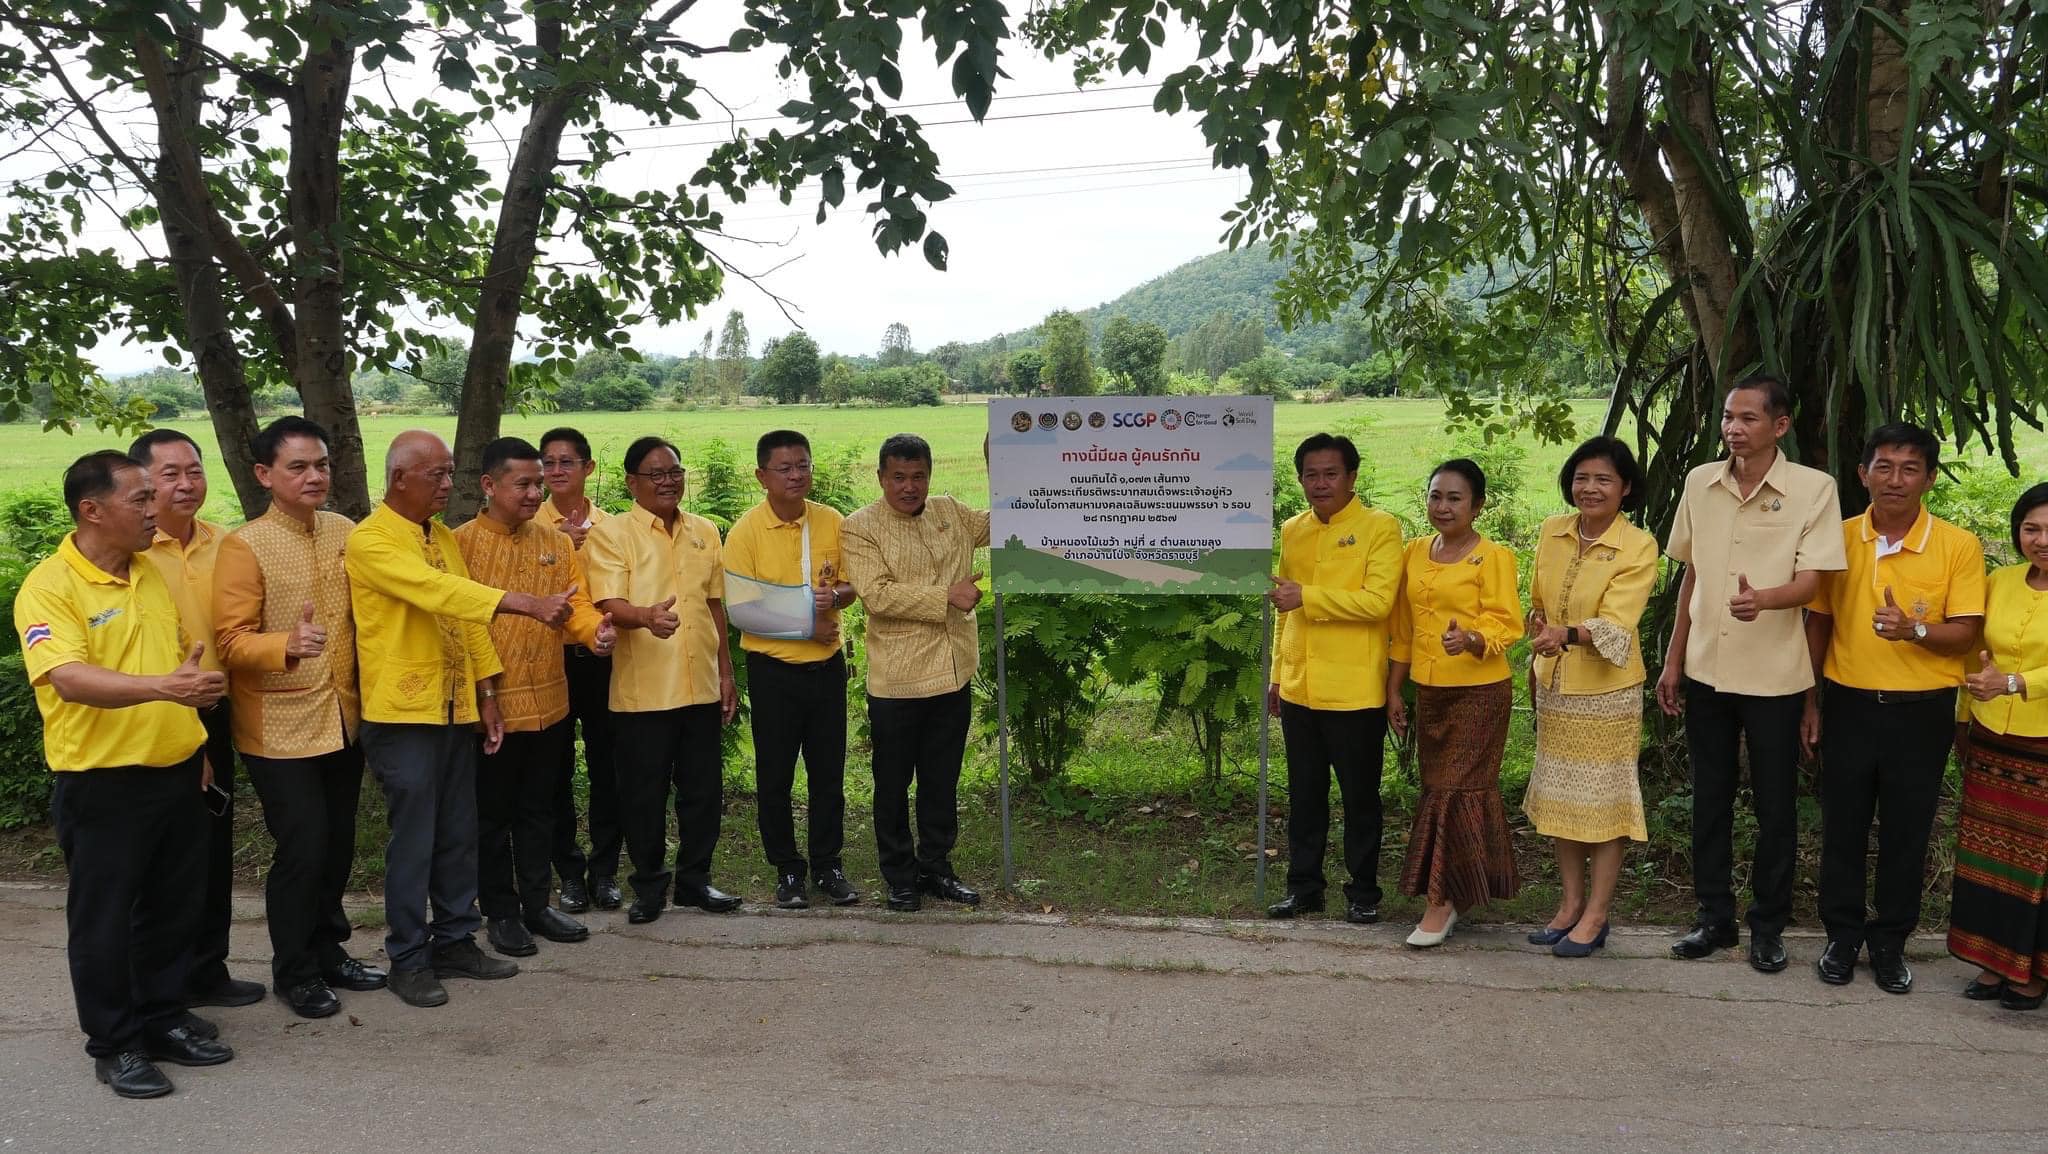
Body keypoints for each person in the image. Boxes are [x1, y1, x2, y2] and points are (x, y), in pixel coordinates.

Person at [14, 450, 233, 1097]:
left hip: (176, 772)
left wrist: (198, 749)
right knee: (104, 921)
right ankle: (114, 1043)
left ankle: (163, 1017)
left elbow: (178, 664)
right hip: (103, 784)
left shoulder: (148, 573)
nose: (154, 509)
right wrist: (163, 688)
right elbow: (67, 677)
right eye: (140, 499)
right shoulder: (51, 585)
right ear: (92, 510)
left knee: (172, 911)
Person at [347, 430, 575, 1007]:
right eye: (437, 476)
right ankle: (407, 955)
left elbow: (467, 620)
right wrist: (524, 601)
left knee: (456, 835)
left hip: (454, 707)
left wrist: (487, 693)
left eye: (452, 474)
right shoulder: (372, 541)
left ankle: (455, 940)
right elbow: (436, 592)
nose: (448, 487)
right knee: (416, 841)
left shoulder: (441, 536)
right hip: (403, 713)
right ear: (399, 478)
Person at [1658, 374, 1847, 971]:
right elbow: (1691, 575)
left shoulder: (1813, 489)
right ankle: (1714, 918)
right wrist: (1671, 660)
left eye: (1748, 419)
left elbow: (1815, 582)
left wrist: (1764, 598)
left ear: (1780, 425)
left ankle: (1768, 925)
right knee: (1709, 799)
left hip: (1774, 677)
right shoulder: (1699, 483)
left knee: (1774, 807)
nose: (1734, 429)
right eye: (1728, 418)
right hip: (1706, 669)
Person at [1800, 423, 1983, 993]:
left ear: (1929, 477)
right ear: (1862, 474)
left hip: (1922, 711)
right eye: (1883, 466)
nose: (1895, 479)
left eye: (1909, 469)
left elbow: (1966, 632)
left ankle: (1890, 942)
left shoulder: (1958, 545)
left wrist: (1914, 629)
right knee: (1844, 826)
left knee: (1907, 830)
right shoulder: (1838, 538)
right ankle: (1842, 936)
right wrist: (1810, 700)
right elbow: (1820, 621)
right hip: (1850, 703)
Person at [213, 417, 384, 1019]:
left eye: (321, 465)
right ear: (264, 475)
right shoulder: (245, 544)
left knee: (337, 844)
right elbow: (230, 641)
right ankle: (295, 970)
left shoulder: (344, 530)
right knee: (303, 847)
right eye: (298, 467)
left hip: (343, 714)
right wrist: (284, 643)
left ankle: (330, 952)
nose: (315, 477)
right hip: (278, 726)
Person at [455, 437, 614, 956]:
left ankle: (536, 904)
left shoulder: (556, 541)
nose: (532, 494)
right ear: (488, 485)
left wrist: (595, 633)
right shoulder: (461, 546)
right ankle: (499, 912)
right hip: (493, 707)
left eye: (537, 485)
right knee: (492, 815)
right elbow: (459, 626)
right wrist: (484, 694)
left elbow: (578, 608)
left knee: (540, 809)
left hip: (551, 703)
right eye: (522, 484)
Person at [129, 429, 265, 1010]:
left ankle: (209, 970)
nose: (186, 485)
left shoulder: (227, 544)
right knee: (166, 860)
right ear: (141, 484)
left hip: (219, 707)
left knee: (213, 847)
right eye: (169, 475)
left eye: (194, 471)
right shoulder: (130, 553)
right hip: (157, 710)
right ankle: (163, 987)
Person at [584, 436, 743, 924]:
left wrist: (727, 673)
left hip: (700, 684)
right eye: (656, 474)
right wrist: (645, 617)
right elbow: (609, 604)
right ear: (632, 482)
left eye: (674, 471)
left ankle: (696, 881)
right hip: (644, 692)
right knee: (644, 796)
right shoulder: (611, 535)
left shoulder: (704, 531)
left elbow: (713, 604)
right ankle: (649, 887)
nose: (668, 481)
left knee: (702, 792)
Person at [842, 433, 990, 912]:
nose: (910, 487)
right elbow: (878, 595)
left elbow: (1000, 526)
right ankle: (899, 876)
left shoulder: (950, 511)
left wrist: (1007, 467)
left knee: (942, 779)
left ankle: (936, 868)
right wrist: (947, 595)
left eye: (918, 476)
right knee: (892, 782)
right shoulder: (859, 527)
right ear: (881, 477)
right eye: (899, 477)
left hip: (954, 671)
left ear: (931, 474)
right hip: (898, 681)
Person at [1523, 437, 1659, 957]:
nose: (1590, 488)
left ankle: (1597, 914)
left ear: (1625, 488)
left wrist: (1566, 635)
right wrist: (1541, 637)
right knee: (1561, 798)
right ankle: (1568, 905)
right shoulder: (1552, 532)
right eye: (1582, 478)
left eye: (1603, 479)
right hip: (1556, 686)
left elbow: (1618, 624)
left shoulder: (1637, 545)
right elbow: (1538, 603)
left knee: (1602, 803)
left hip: (1608, 694)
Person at [1265, 433, 1403, 924]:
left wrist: (1311, 597)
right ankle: (1304, 888)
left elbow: (1378, 602)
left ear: (1351, 477)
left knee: (1360, 798)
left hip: (1354, 689)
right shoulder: (1292, 530)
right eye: (1311, 474)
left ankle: (1363, 891)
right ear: (1300, 479)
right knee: (1304, 795)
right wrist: (1278, 675)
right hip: (1301, 685)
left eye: (1331, 474)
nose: (1320, 483)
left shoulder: (1380, 527)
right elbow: (1285, 606)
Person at [1385, 458, 1522, 947]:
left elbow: (1508, 622)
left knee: (1454, 789)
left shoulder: (1493, 556)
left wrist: (1471, 639)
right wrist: (1393, 689)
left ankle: (1439, 904)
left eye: (1455, 498)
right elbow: (1402, 628)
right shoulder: (1415, 551)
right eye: (1435, 496)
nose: (1442, 507)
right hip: (1430, 689)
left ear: (1477, 505)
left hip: (1480, 691)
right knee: (1439, 787)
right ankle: (1461, 890)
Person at [724, 430, 860, 910]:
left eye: (803, 465)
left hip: (826, 669)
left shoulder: (832, 521)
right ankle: (787, 870)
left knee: (828, 774)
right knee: (775, 775)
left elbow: (850, 586)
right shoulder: (745, 531)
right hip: (774, 671)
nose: (796, 475)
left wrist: (835, 597)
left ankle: (828, 865)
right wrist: (806, 623)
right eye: (785, 468)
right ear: (762, 475)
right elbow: (743, 611)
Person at [1952, 482, 2048, 1012]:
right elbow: (1976, 654)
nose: (2041, 540)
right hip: (1992, 739)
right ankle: (1993, 960)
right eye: (2031, 528)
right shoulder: (2001, 580)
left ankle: (2032, 972)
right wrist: (1964, 719)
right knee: (1990, 854)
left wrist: (2016, 683)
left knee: (2038, 862)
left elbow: (2009, 675)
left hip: (2043, 743)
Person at [538, 426, 622, 912]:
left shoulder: (611, 527)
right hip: (551, 661)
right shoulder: (531, 527)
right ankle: (568, 872)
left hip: (604, 660)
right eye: (548, 463)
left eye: (567, 462)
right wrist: (555, 543)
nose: (556, 471)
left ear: (588, 468)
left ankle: (606, 870)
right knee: (555, 771)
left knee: (608, 767)